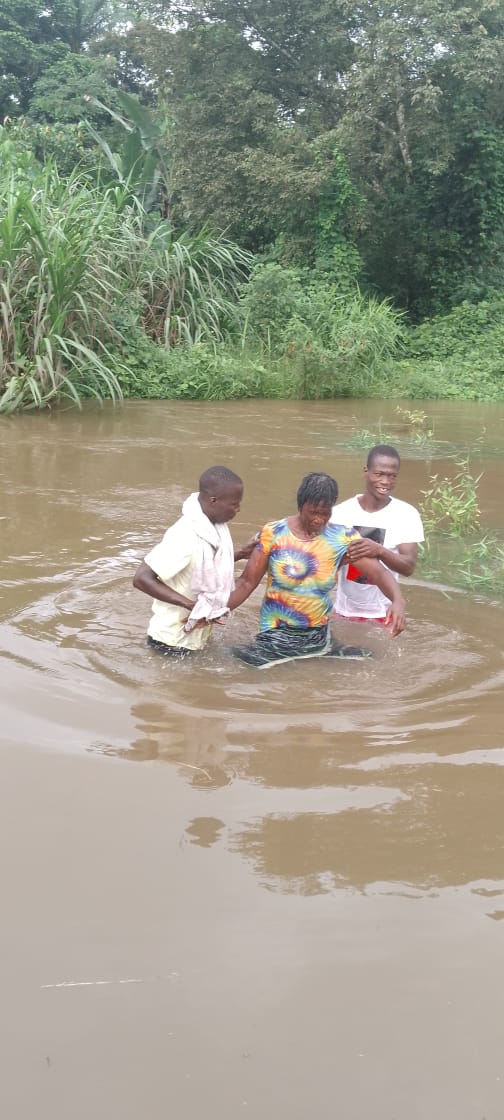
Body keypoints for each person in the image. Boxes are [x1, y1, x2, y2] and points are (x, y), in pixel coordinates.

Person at [227, 472, 406, 668]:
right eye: (313, 512)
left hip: (320, 637)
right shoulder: (274, 533)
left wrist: (398, 600)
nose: (319, 520)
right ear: (300, 505)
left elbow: (378, 573)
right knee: (239, 666)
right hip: (275, 637)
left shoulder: (342, 538)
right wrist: (214, 611)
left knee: (369, 659)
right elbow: (246, 582)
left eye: (325, 513)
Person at [133, 466, 254, 655]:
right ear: (213, 500)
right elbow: (141, 578)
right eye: (234, 504)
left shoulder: (212, 528)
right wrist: (192, 606)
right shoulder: (184, 534)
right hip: (170, 641)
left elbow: (204, 564)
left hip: (196, 637)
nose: (238, 509)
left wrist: (240, 553)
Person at [332, 444, 424, 622]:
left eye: (392, 476)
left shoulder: (406, 515)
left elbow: (408, 567)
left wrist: (379, 550)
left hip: (384, 613)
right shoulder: (340, 513)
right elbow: (321, 559)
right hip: (343, 612)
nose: (385, 482)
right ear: (366, 471)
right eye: (379, 474)